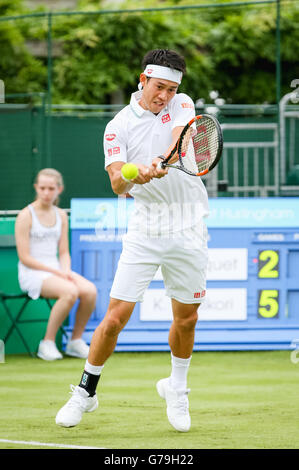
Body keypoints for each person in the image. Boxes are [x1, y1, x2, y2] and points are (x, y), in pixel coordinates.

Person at [55, 49, 209, 432]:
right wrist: (134, 175)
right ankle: (86, 392)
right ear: (143, 80)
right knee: (114, 319)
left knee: (186, 318)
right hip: (146, 228)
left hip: (189, 226)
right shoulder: (117, 126)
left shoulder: (182, 103)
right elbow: (115, 182)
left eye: (172, 89)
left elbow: (179, 140)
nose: (165, 96)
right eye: (159, 87)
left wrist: (158, 161)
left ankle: (176, 387)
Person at [15, 168, 97, 361]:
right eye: (42, 188)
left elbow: (63, 252)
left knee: (90, 291)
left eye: (51, 188)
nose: (46, 193)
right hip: (32, 273)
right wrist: (58, 272)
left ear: (59, 189)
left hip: (57, 270)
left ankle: (75, 342)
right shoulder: (25, 215)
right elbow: (25, 258)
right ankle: (47, 343)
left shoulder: (61, 215)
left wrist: (65, 270)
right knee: (70, 291)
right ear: (36, 187)